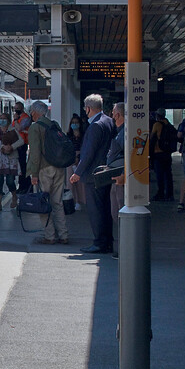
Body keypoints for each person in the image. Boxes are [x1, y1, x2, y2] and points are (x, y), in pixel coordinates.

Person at [71, 94, 116, 254]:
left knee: (96, 209)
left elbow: (89, 153)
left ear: (88, 108)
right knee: (105, 208)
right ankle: (107, 241)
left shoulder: (96, 125)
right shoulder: (109, 121)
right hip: (106, 172)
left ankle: (99, 242)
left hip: (94, 174)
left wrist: (78, 172)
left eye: (85, 108)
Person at [26, 100, 68, 244]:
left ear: (36, 113)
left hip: (44, 169)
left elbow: (35, 153)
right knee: (58, 202)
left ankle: (50, 236)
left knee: (43, 202)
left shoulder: (35, 128)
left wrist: (34, 174)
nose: (31, 114)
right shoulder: (54, 125)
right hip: (59, 168)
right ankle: (63, 235)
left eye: (32, 111)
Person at [0, 111, 23, 211]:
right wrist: (3, 147)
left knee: (10, 181)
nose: (2, 120)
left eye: (4, 119)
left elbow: (21, 141)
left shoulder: (13, 130)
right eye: (1, 118)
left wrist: (12, 147)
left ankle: (14, 196)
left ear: (8, 121)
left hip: (11, 159)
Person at [108, 103, 126, 258]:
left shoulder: (125, 132)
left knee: (120, 212)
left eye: (113, 113)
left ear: (118, 115)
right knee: (116, 212)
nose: (112, 116)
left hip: (121, 178)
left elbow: (131, 156)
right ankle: (122, 246)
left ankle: (124, 247)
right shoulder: (120, 132)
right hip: (116, 176)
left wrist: (124, 174)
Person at [149, 108, 175, 201]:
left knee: (159, 175)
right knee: (168, 174)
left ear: (157, 115)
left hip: (158, 153)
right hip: (167, 153)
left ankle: (160, 193)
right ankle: (170, 194)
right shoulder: (169, 125)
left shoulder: (157, 124)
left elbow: (152, 138)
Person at [66, 113, 86, 210]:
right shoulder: (68, 135)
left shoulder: (83, 135)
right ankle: (72, 200)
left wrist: (78, 157)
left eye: (76, 122)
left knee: (80, 182)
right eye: (73, 123)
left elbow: (85, 148)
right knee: (70, 181)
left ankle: (80, 201)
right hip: (70, 158)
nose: (74, 124)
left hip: (81, 158)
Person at [12, 102, 32, 193]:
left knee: (22, 166)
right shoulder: (17, 118)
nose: (16, 110)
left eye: (17, 108)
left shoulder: (26, 118)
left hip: (22, 145)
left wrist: (16, 120)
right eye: (15, 108)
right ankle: (22, 185)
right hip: (16, 144)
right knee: (19, 167)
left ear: (22, 108)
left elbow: (19, 128)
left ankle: (24, 185)